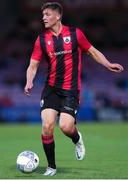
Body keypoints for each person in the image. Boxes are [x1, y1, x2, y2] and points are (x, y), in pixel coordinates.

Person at [24, 2, 124, 176]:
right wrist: (29, 81)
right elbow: (33, 65)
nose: (44, 18)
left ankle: (77, 139)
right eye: (43, 15)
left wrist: (108, 64)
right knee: (47, 125)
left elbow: (92, 51)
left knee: (65, 127)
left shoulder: (75, 33)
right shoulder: (41, 39)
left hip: (71, 90)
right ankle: (51, 167)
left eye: (47, 14)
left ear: (58, 16)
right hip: (51, 89)